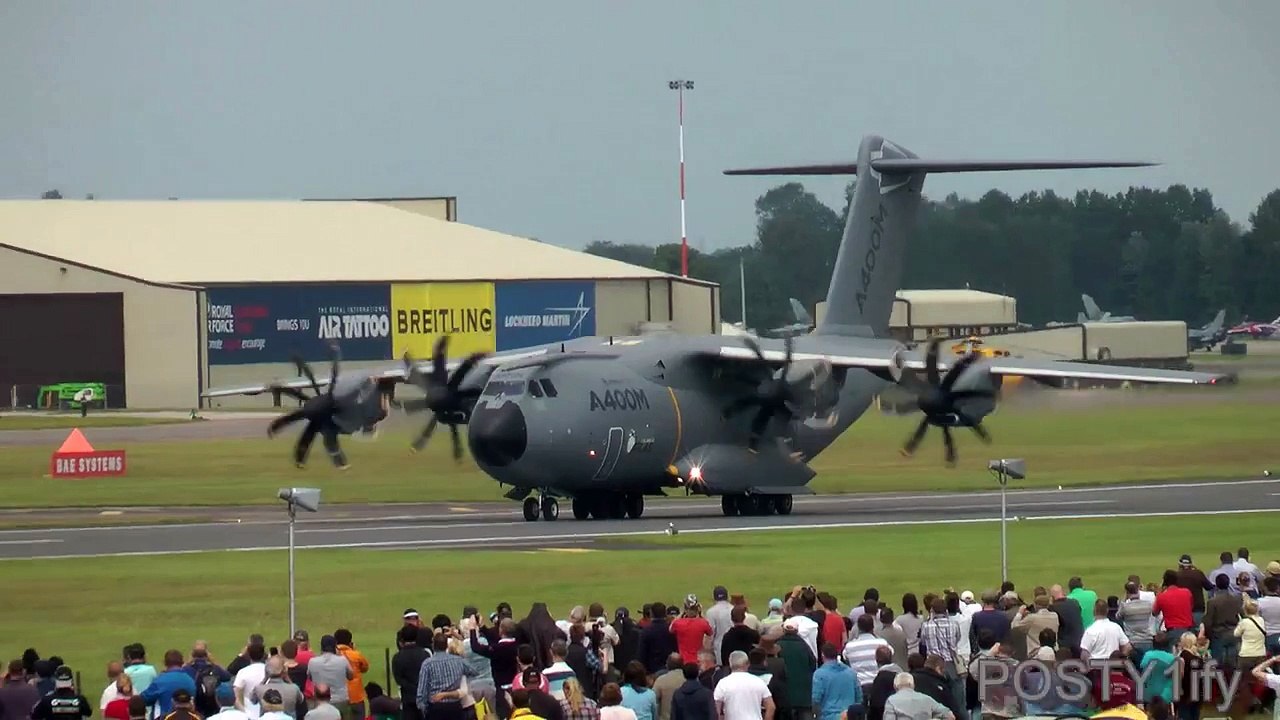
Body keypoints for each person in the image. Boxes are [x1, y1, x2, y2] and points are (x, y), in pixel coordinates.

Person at [712, 652, 773, 720]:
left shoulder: (723, 683)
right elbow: (771, 707)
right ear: (748, 664)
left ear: (730, 664)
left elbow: (715, 710)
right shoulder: (758, 681)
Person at [811, 644, 859, 720]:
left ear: (823, 655)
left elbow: (816, 699)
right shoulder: (851, 673)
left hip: (828, 716)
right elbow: (858, 696)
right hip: (848, 716)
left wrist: (816, 715)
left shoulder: (819, 674)